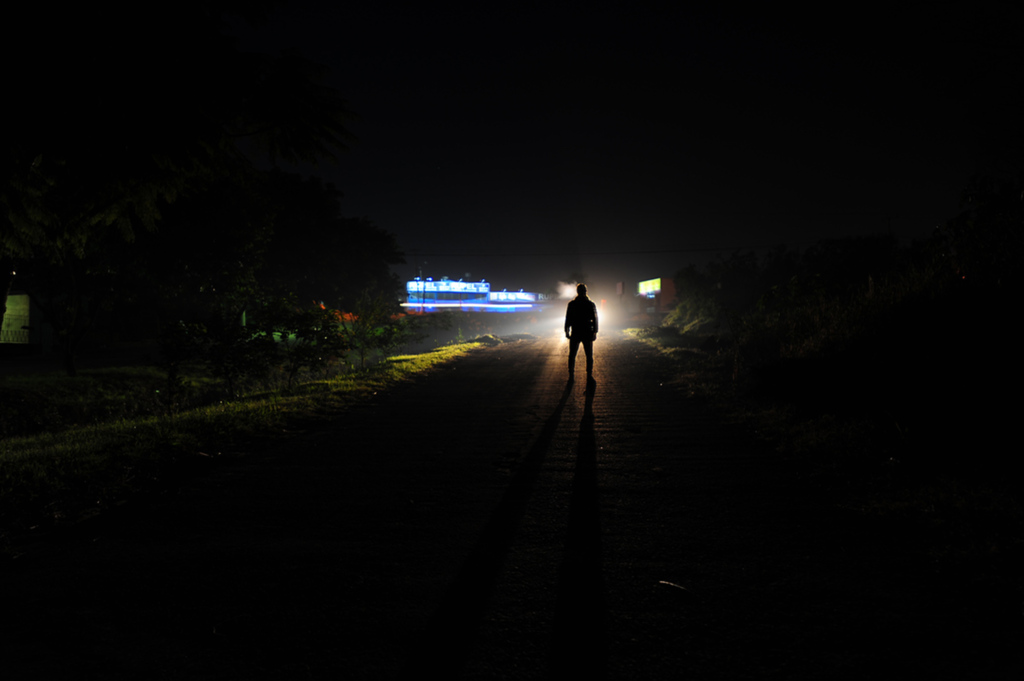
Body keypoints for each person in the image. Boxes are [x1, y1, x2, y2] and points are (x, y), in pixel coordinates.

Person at [564, 283, 598, 381]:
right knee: (589, 355)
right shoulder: (590, 304)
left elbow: (568, 318)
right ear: (585, 292)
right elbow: (595, 319)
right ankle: (589, 373)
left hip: (576, 331)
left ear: (577, 292)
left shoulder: (572, 304)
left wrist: (566, 330)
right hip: (587, 331)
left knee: (572, 355)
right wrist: (595, 332)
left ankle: (571, 374)